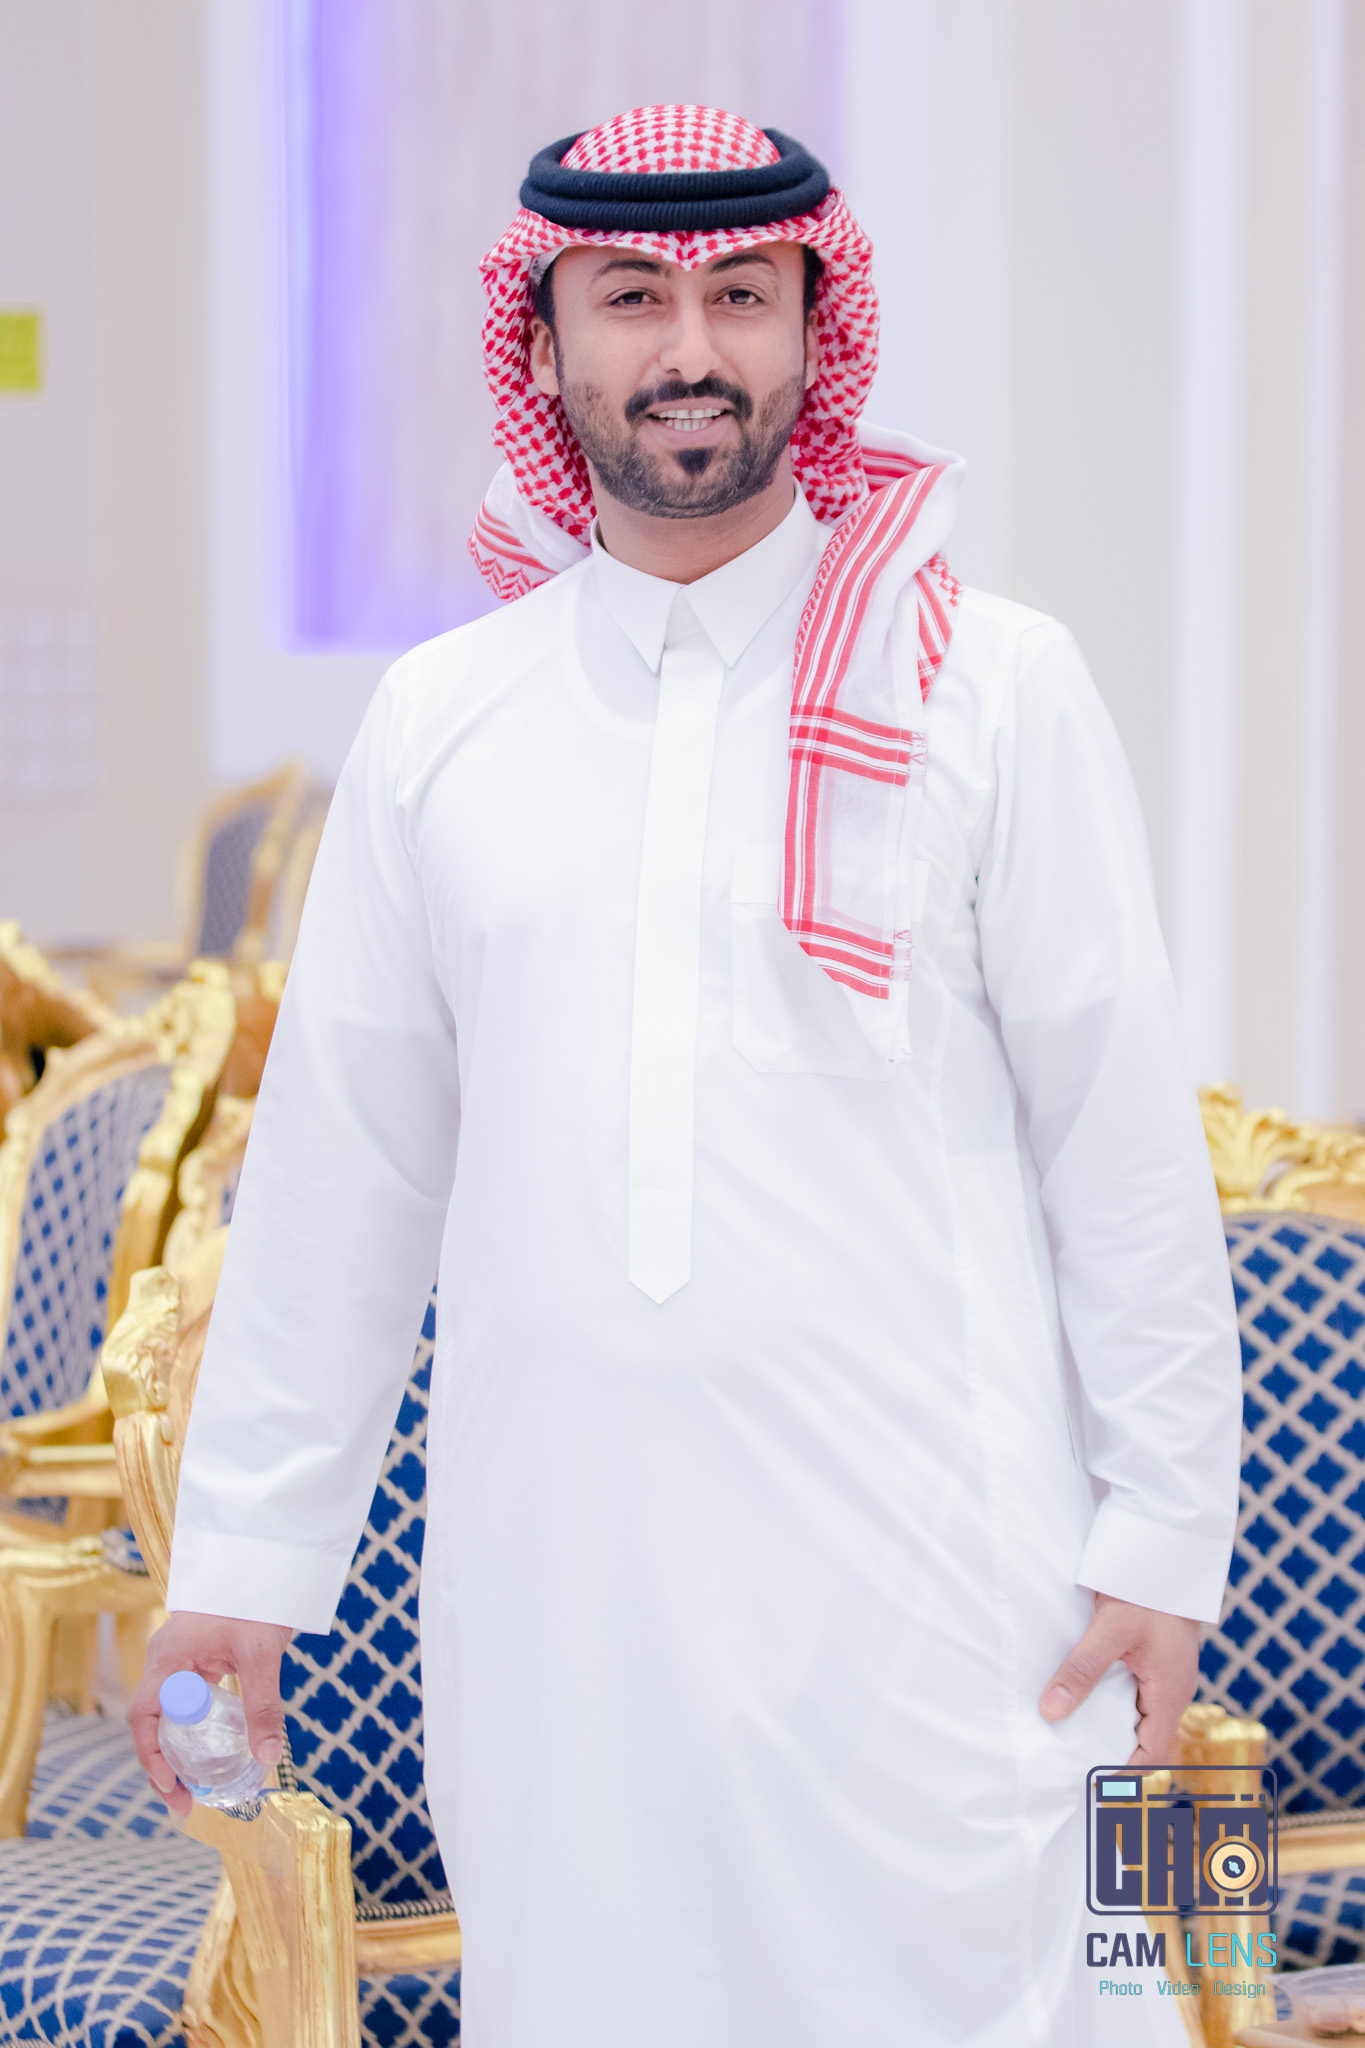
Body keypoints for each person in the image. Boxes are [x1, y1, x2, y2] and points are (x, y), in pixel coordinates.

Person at [133, 105, 1241, 2045]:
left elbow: (1119, 1141)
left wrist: (1159, 1540)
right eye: (632, 297)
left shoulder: (991, 685)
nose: (690, 347)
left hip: (949, 1587)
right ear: (545, 335)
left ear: (814, 327)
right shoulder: (442, 719)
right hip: (567, 1592)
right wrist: (245, 1560)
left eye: (740, 293)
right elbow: (340, 1179)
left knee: (1034, 1998)